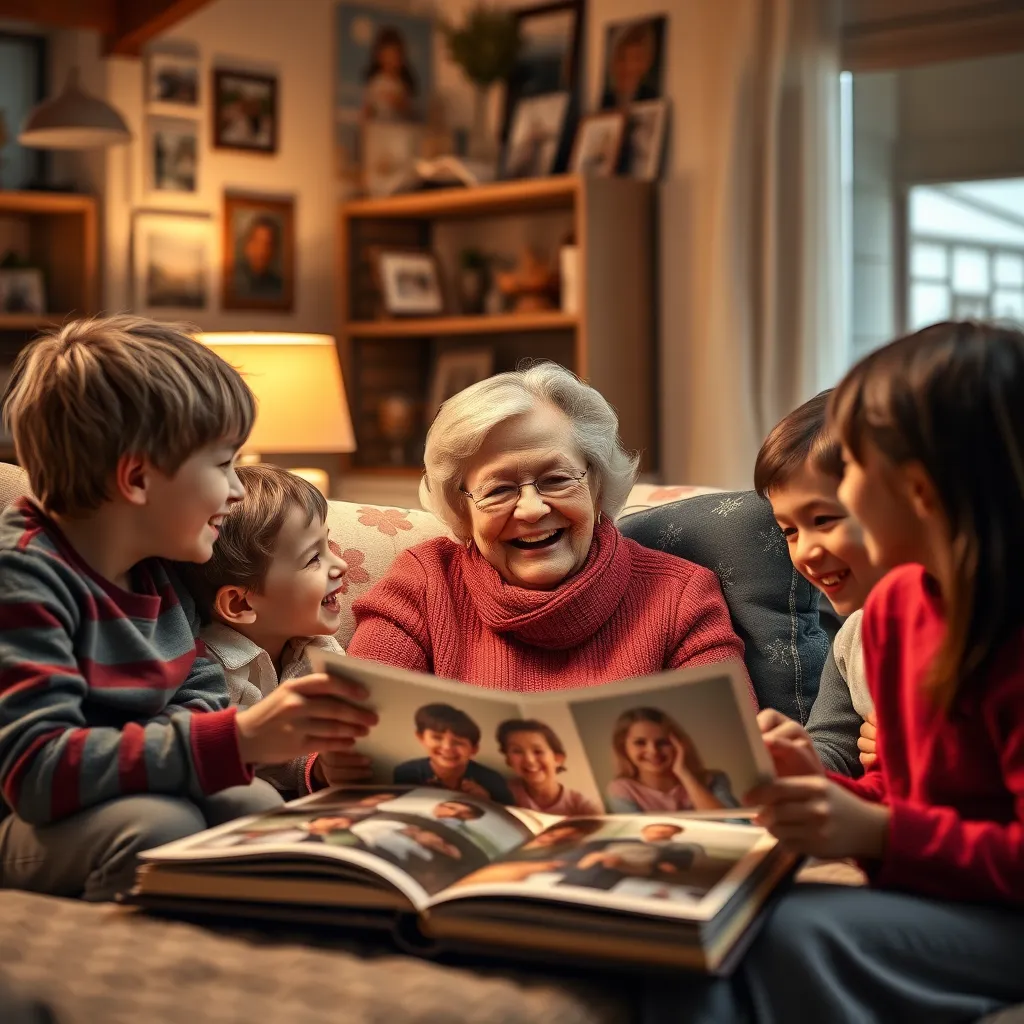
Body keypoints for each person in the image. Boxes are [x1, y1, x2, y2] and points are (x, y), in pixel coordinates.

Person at [652, 321, 1024, 1023]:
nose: (843, 487)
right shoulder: (892, 617)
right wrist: (819, 790)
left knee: (781, 938)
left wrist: (877, 834)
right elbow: (918, 791)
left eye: (851, 469)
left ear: (921, 487)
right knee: (703, 926)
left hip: (999, 912)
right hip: (942, 892)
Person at [0, 315, 373, 902]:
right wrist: (237, 740)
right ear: (139, 478)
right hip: (25, 819)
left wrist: (229, 742)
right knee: (158, 828)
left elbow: (195, 690)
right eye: (223, 464)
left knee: (254, 804)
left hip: (129, 789)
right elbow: (38, 772)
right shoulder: (23, 577)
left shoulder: (157, 567)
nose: (238, 491)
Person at [348, 362, 752, 700]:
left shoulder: (681, 596)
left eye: (557, 480)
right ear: (463, 509)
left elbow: (733, 756)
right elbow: (344, 742)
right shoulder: (422, 584)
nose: (531, 509)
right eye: (499, 489)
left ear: (596, 485)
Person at [182, 464, 373, 799]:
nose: (340, 565)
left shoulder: (319, 648)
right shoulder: (210, 674)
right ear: (241, 604)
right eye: (314, 558)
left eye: (329, 546)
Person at [754, 389, 885, 776]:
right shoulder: (854, 637)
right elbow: (833, 744)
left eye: (824, 520)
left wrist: (918, 750)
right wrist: (792, 761)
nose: (806, 551)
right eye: (789, 531)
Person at [606, 707, 738, 813]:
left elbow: (733, 822)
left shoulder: (714, 779)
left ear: (678, 744)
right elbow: (638, 839)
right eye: (640, 743)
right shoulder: (622, 790)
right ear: (623, 748)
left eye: (663, 742)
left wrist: (684, 774)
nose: (653, 751)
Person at [393, 703, 514, 805]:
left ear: (474, 749)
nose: (447, 747)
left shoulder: (493, 780)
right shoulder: (406, 773)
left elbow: (513, 820)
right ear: (421, 737)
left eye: (458, 742)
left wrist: (486, 803)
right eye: (437, 737)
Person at [497, 718, 601, 816]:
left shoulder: (583, 807)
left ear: (557, 759)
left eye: (538, 751)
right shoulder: (499, 793)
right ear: (508, 760)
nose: (529, 760)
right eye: (517, 751)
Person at [601, 20, 659, 109]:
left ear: (646, 63)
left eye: (636, 58)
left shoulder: (654, 100)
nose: (629, 67)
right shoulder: (604, 103)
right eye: (622, 57)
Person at [362, 26, 416, 121]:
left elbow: (409, 109)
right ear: (379, 57)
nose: (391, 62)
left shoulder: (402, 85)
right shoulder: (376, 83)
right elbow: (368, 108)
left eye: (394, 57)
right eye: (387, 57)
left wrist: (399, 102)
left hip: (398, 131)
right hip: (378, 130)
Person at [233, 216, 283, 300]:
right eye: (257, 242)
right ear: (247, 246)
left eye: (268, 244)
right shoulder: (232, 278)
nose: (262, 250)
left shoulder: (278, 285)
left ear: (275, 250)